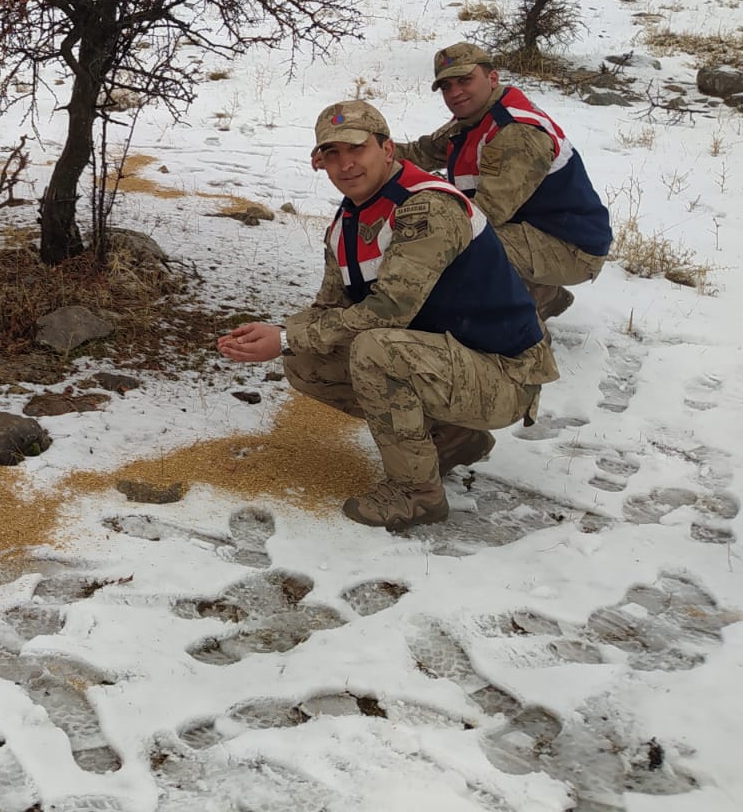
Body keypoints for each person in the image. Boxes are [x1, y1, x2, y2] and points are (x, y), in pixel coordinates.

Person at [217, 100, 558, 531]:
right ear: (319, 163)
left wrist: (286, 336)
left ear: (388, 150)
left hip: (506, 373)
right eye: (332, 154)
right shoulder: (346, 223)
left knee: (375, 350)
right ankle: (450, 438)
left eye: (356, 149)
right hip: (449, 360)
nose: (346, 164)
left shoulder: (426, 208)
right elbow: (331, 307)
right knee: (306, 361)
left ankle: (417, 495)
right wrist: (282, 336)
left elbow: (388, 311)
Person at [396, 42, 612, 320]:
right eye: (446, 86)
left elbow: (485, 214)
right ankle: (540, 294)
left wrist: (413, 225)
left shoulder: (515, 132)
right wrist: (363, 151)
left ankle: (522, 337)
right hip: (534, 229)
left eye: (464, 80)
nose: (455, 93)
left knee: (456, 248)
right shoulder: (476, 114)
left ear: (492, 78)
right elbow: (420, 153)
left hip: (572, 246)